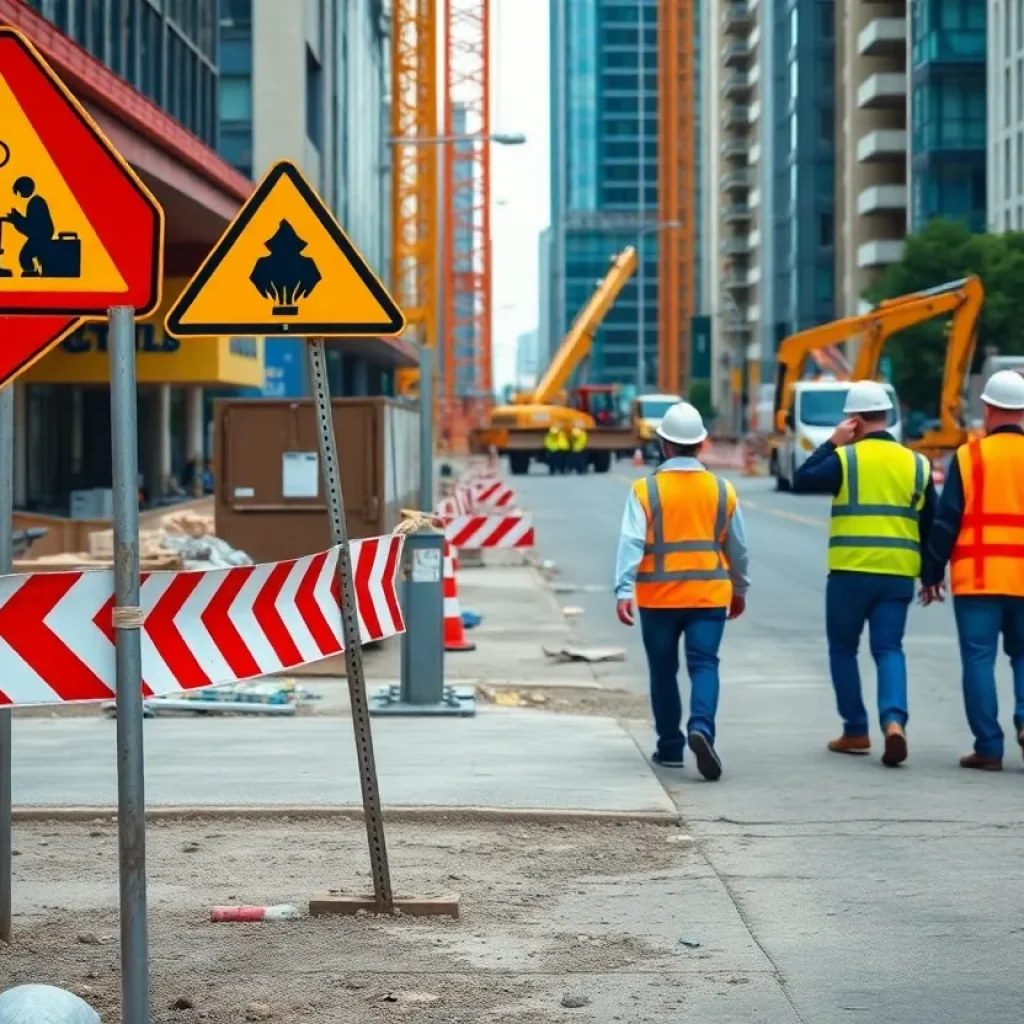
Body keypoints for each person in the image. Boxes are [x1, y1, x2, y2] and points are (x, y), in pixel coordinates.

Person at [793, 380, 936, 767]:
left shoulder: (845, 459)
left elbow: (802, 478)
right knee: (889, 649)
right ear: (887, 415)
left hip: (850, 572)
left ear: (853, 419)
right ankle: (893, 722)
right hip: (897, 575)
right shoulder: (917, 463)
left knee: (843, 649)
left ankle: (855, 729)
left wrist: (833, 442)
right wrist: (932, 574)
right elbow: (930, 524)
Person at [615, 401, 750, 780]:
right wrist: (739, 588)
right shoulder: (723, 490)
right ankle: (701, 729)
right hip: (709, 597)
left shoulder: (646, 490)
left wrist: (623, 590)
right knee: (705, 665)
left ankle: (670, 748)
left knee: (663, 671)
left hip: (659, 600)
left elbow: (631, 542)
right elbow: (738, 548)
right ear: (702, 444)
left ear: (664, 444)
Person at [922, 369, 1024, 771]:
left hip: (978, 578)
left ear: (987, 408)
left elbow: (946, 522)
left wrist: (931, 573)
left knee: (979, 660)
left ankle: (988, 747)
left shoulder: (969, 456)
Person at [6, 176, 55, 276]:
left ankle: (32, 276)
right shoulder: (36, 201)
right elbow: (31, 224)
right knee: (26, 257)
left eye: (20, 191)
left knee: (25, 257)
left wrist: (16, 220)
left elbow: (31, 228)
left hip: (41, 238)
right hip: (41, 236)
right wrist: (17, 218)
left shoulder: (35, 203)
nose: (20, 195)